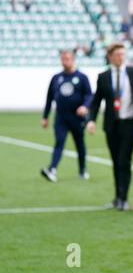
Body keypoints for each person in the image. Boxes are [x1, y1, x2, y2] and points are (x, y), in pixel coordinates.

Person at [87, 43, 133, 211]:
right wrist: (91, 120)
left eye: (122, 54)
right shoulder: (103, 76)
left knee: (124, 160)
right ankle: (117, 196)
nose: (120, 57)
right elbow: (96, 101)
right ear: (110, 56)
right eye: (117, 54)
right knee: (115, 161)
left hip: (130, 122)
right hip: (111, 124)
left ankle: (124, 198)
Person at [41, 50, 92, 182]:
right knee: (59, 142)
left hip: (77, 118)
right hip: (61, 118)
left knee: (80, 144)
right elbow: (49, 98)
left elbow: (89, 95)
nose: (65, 62)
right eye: (63, 59)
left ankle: (82, 170)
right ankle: (52, 169)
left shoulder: (81, 77)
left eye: (68, 59)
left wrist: (84, 106)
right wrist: (45, 116)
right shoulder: (56, 78)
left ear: (73, 60)